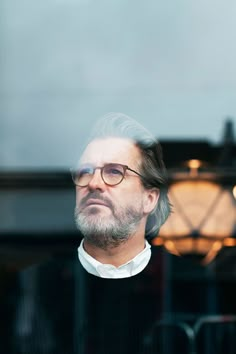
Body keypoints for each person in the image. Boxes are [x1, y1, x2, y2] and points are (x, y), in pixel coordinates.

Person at [71, 112, 171, 278]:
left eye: (114, 172)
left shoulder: (192, 284)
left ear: (149, 199)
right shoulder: (41, 279)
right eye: (85, 171)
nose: (94, 183)